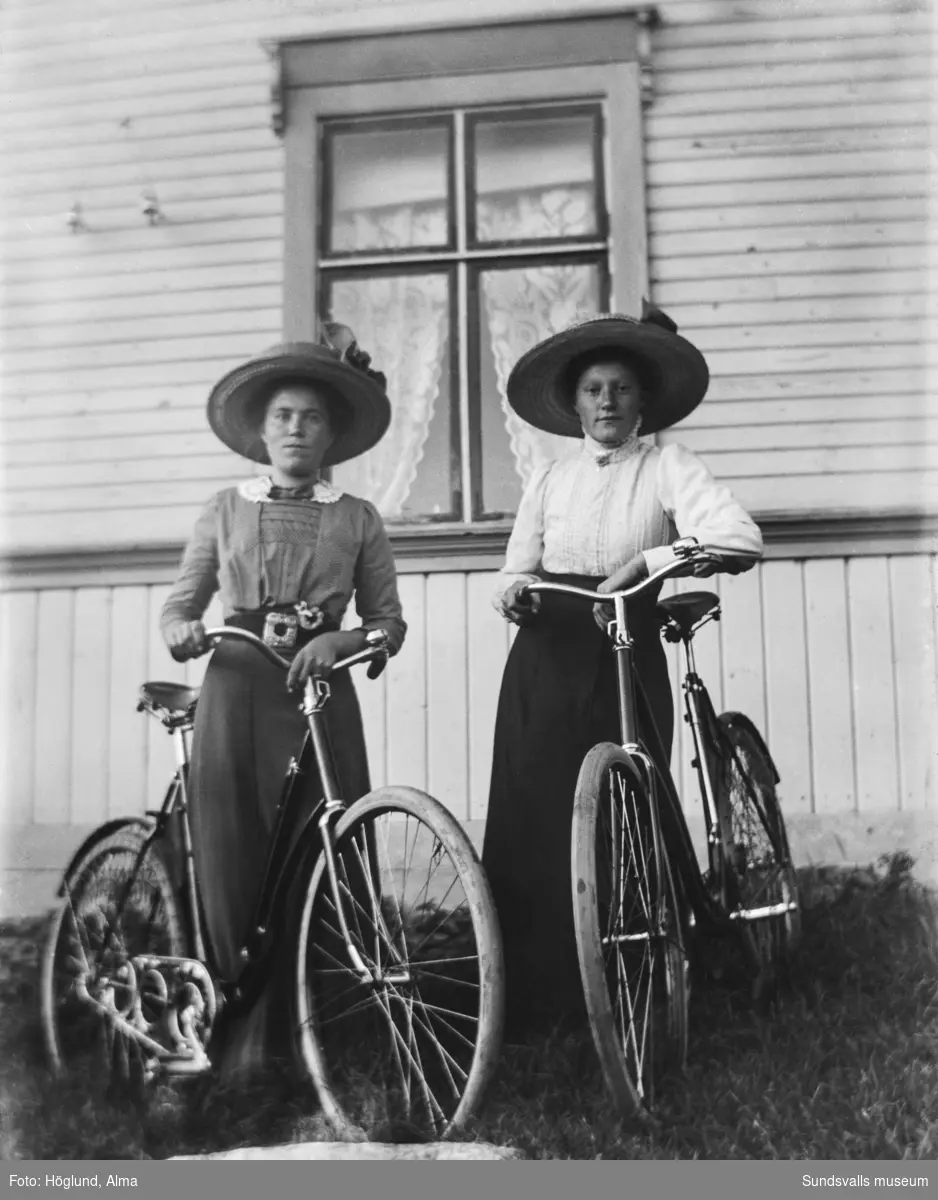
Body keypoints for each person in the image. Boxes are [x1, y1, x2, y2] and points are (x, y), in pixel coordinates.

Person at [481, 303, 764, 1035]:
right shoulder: (548, 477)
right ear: (573, 403)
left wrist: (656, 560)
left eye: (623, 389)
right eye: (594, 390)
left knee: (625, 802)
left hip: (625, 639)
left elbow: (740, 536)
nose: (608, 402)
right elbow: (516, 568)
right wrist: (514, 592)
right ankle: (534, 996)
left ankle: (634, 976)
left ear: (643, 401)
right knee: (535, 806)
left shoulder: (668, 465)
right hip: (546, 650)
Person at [160, 326, 406, 1074]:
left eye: (311, 418)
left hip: (317, 698)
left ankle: (320, 1035)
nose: (296, 429)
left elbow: (389, 624)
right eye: (282, 417)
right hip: (235, 694)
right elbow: (181, 604)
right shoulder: (222, 510)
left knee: (321, 850)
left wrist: (344, 641)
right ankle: (233, 1038)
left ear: (332, 433)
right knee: (235, 855)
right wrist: (181, 631)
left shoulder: (358, 517)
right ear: (261, 432)